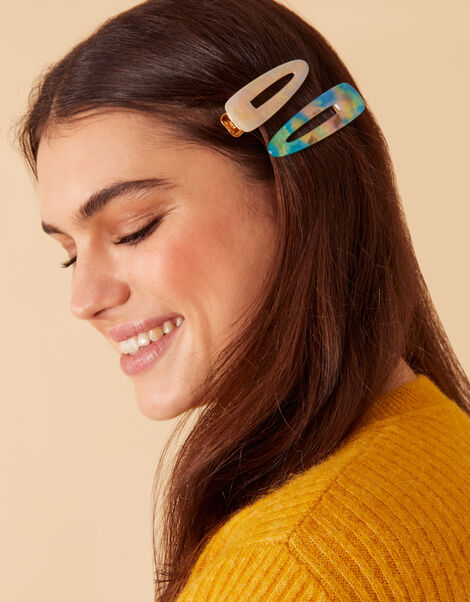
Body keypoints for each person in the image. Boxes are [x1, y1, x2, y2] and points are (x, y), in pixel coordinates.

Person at [13, 0, 470, 600]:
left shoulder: (290, 563)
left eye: (133, 229)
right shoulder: (443, 446)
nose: (85, 300)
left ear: (295, 191)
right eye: (70, 254)